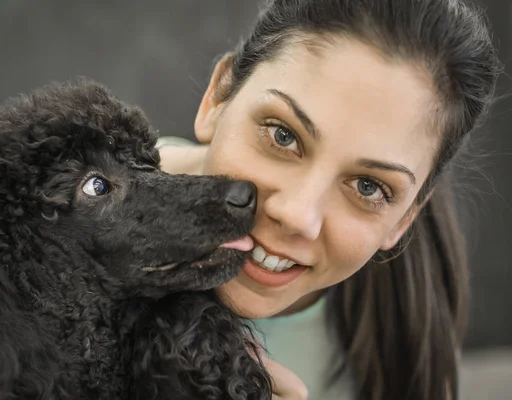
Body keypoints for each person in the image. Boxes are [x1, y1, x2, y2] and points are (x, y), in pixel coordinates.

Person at [157, 0, 501, 398]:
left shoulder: (409, 338)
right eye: (282, 135)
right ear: (217, 99)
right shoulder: (72, 229)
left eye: (369, 187)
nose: (298, 215)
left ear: (404, 219)